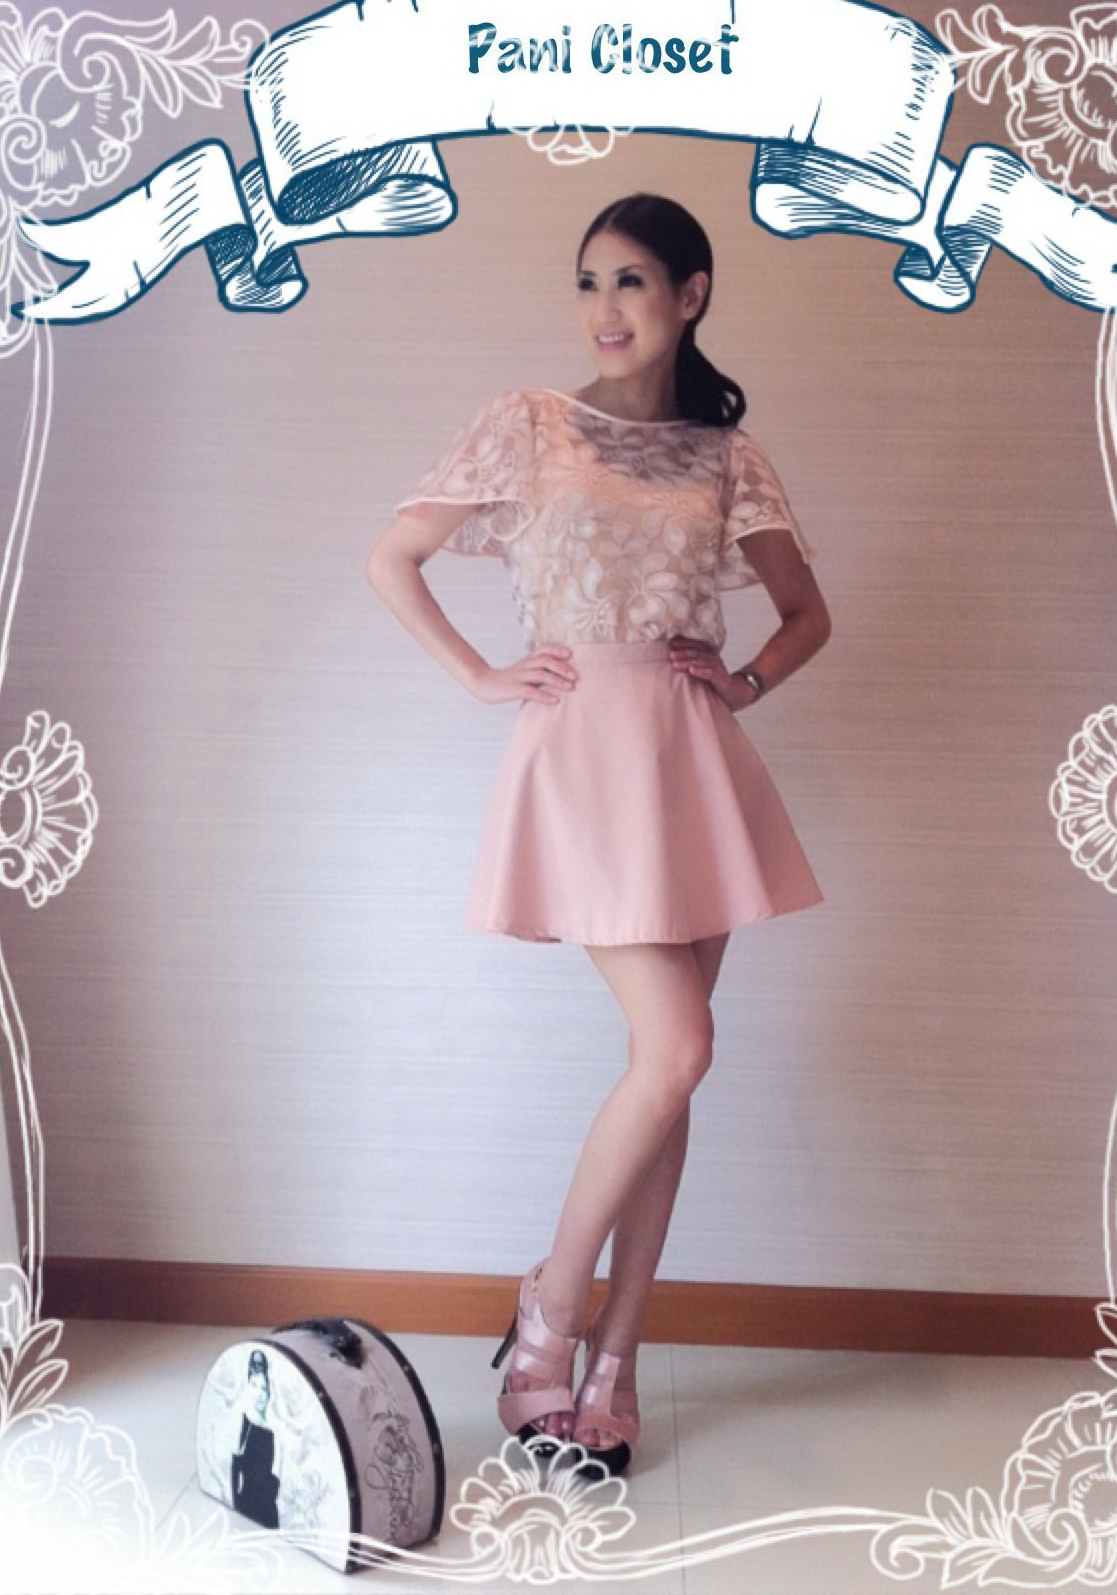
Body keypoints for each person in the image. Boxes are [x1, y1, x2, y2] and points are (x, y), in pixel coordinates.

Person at [365, 192, 832, 1479]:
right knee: (678, 1047)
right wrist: (479, 674)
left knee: (668, 1071)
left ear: (691, 294)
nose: (605, 308)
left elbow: (806, 612)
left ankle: (614, 1360)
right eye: (589, 282)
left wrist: (747, 680)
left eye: (631, 280)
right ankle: (550, 1310)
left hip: (692, 759)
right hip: (582, 755)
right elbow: (394, 558)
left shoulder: (727, 455)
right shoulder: (528, 424)